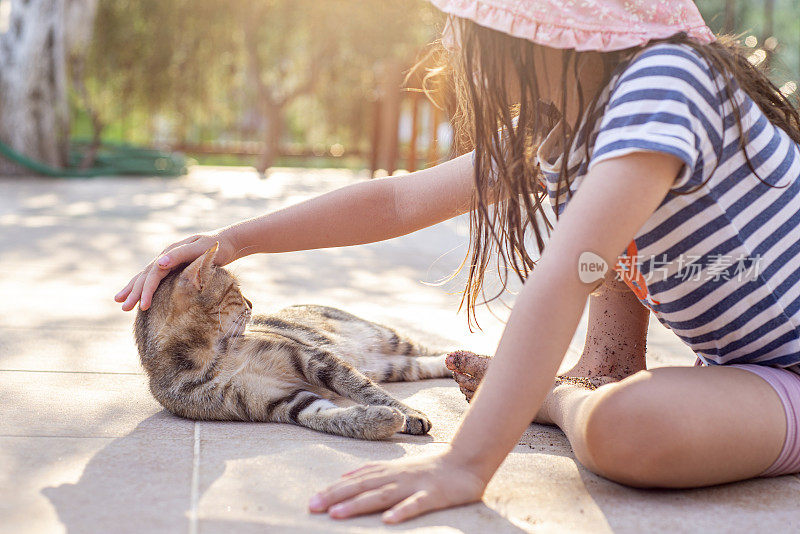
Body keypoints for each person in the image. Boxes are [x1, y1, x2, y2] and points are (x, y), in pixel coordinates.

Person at [116, 0, 800, 524]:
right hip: (757, 370)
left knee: (632, 432)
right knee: (622, 383)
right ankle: (594, 379)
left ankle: (555, 396)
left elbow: (565, 277)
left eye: (465, 25)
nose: (448, 45)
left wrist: (466, 464)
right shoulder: (565, 123)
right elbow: (398, 201)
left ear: (534, 30)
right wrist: (231, 241)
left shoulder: (663, 82)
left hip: (781, 371)